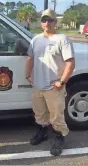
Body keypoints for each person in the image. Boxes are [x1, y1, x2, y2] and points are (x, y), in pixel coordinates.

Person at [26, 9, 75, 156]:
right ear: (41, 22)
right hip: (38, 86)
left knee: (57, 116)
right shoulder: (36, 39)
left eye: (50, 20)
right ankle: (43, 132)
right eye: (44, 20)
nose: (47, 23)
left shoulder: (62, 39)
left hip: (54, 86)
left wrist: (62, 81)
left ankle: (59, 138)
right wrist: (28, 75)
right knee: (40, 114)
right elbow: (31, 58)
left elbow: (70, 62)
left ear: (55, 22)